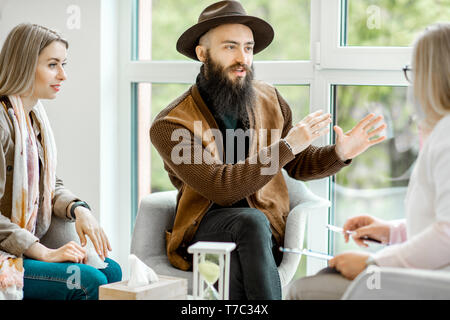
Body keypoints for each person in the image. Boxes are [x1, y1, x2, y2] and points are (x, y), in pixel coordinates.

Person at [150, 0, 385, 300]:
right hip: (205, 229)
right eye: (230, 47)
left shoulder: (270, 98)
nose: (243, 58)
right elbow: (220, 188)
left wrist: (339, 153)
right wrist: (287, 146)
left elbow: (297, 163)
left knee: (237, 264)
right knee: (249, 222)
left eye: (248, 48)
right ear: (202, 53)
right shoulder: (171, 124)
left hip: (264, 231)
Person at [286, 22, 450, 300]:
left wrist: (373, 264)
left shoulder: (447, 135)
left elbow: (447, 236)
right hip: (430, 274)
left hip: (431, 284)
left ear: (434, 77)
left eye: (414, 71)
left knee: (303, 290)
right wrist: (392, 231)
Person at [0, 23, 121, 300]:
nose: (63, 75)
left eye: (63, 64)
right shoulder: (3, 123)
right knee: (87, 281)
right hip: (5, 250)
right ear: (24, 65)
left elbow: (49, 185)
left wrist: (80, 209)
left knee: (111, 272)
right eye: (53, 65)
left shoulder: (32, 118)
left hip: (21, 243)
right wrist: (43, 251)